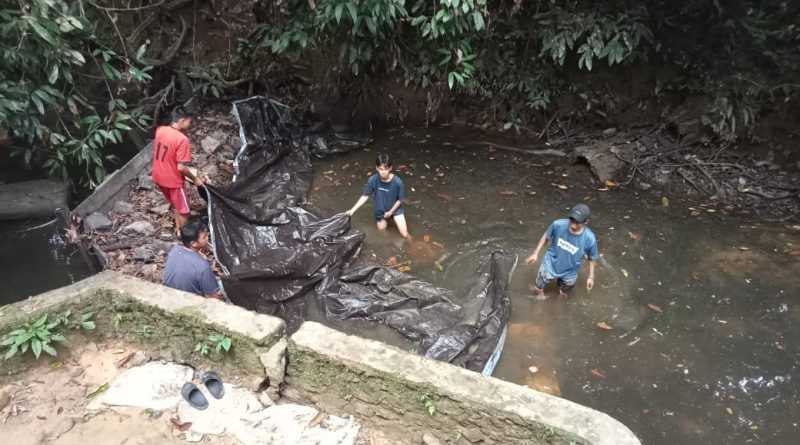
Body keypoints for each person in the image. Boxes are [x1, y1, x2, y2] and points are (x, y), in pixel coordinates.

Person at [525, 203, 598, 299]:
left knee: (563, 294)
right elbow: (546, 236)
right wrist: (535, 253)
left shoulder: (589, 238)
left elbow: (592, 258)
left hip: (570, 271)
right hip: (550, 263)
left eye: (577, 222)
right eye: (572, 219)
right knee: (538, 289)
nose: (573, 224)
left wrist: (591, 277)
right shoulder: (558, 224)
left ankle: (559, 307)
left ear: (586, 221)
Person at [152, 105, 204, 235]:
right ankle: (186, 237)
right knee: (184, 211)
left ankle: (178, 231)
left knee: (176, 205)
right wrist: (195, 179)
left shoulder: (160, 130)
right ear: (182, 121)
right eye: (189, 122)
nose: (190, 125)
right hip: (173, 181)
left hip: (158, 176)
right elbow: (180, 167)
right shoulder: (182, 139)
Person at [346, 154, 410, 239]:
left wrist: (390, 212)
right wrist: (352, 210)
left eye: (386, 169)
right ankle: (390, 245)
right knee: (382, 232)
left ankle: (413, 243)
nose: (383, 172)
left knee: (405, 234)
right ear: (376, 168)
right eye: (381, 169)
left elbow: (400, 199)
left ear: (390, 168)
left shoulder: (398, 182)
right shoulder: (373, 180)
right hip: (381, 211)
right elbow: (365, 196)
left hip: (395, 210)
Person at [163, 219, 222, 299]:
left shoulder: (175, 250)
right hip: (189, 303)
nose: (207, 238)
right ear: (193, 243)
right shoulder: (203, 266)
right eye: (204, 237)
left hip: (168, 296)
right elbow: (212, 297)